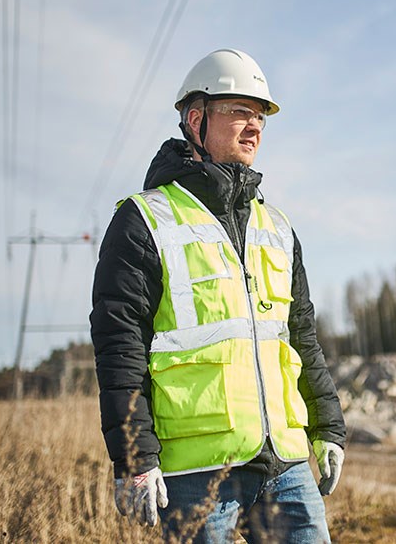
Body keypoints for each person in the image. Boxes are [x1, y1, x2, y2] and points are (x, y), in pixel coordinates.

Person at [90, 48, 346, 543]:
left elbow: (301, 338)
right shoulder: (144, 220)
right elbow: (120, 350)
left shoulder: (278, 227)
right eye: (239, 111)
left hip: (285, 464)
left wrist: (328, 428)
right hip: (197, 471)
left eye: (261, 116)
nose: (253, 126)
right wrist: (133, 458)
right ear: (196, 118)